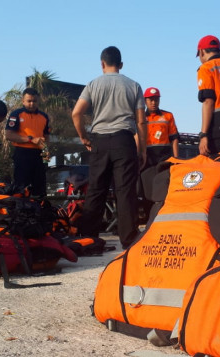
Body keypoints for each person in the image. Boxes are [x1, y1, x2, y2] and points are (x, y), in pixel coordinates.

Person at [71, 46, 147, 250]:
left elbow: (76, 114)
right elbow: (140, 122)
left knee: (96, 189)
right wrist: (142, 149)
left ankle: (88, 238)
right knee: (125, 191)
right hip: (124, 140)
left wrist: (84, 138)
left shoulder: (93, 84)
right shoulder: (134, 85)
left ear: (102, 63)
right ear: (121, 65)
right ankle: (129, 238)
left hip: (100, 140)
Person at [5, 88, 50, 197]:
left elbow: (46, 138)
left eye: (34, 101)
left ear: (38, 101)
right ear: (23, 101)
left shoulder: (44, 116)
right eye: (29, 101)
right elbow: (9, 135)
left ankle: (40, 211)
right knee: (20, 187)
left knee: (40, 188)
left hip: (39, 155)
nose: (31, 104)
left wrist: (46, 153)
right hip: (22, 154)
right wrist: (30, 139)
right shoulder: (16, 114)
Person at [143, 87, 179, 167]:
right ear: (145, 101)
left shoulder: (168, 116)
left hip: (164, 157)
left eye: (156, 100)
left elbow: (174, 138)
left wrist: (176, 158)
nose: (154, 103)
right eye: (151, 100)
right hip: (147, 157)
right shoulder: (140, 118)